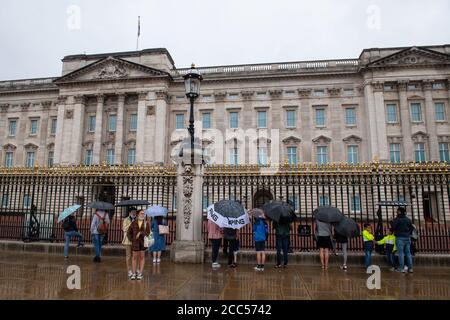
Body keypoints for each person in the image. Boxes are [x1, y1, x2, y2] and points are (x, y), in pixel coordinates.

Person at [127, 209, 150, 280]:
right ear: (138, 215)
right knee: (134, 258)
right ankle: (134, 273)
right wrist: (132, 239)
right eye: (141, 213)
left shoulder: (146, 223)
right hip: (135, 243)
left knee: (142, 257)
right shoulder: (133, 223)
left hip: (142, 243)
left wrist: (141, 233)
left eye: (143, 214)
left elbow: (148, 233)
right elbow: (128, 233)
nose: (143, 215)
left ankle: (140, 273)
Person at [391, 207, 414, 273]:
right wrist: (408, 234)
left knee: (401, 253)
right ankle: (410, 268)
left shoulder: (397, 219)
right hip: (407, 237)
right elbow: (411, 228)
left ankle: (401, 268)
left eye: (397, 211)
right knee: (408, 253)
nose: (396, 212)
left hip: (399, 237)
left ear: (400, 211)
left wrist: (391, 222)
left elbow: (393, 227)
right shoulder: (408, 219)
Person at [122, 208, 137, 277]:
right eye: (133, 212)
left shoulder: (138, 219)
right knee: (128, 256)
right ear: (130, 212)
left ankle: (135, 269)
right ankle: (129, 270)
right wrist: (131, 223)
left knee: (135, 256)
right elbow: (124, 228)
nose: (134, 213)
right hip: (128, 240)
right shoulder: (126, 219)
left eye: (135, 212)